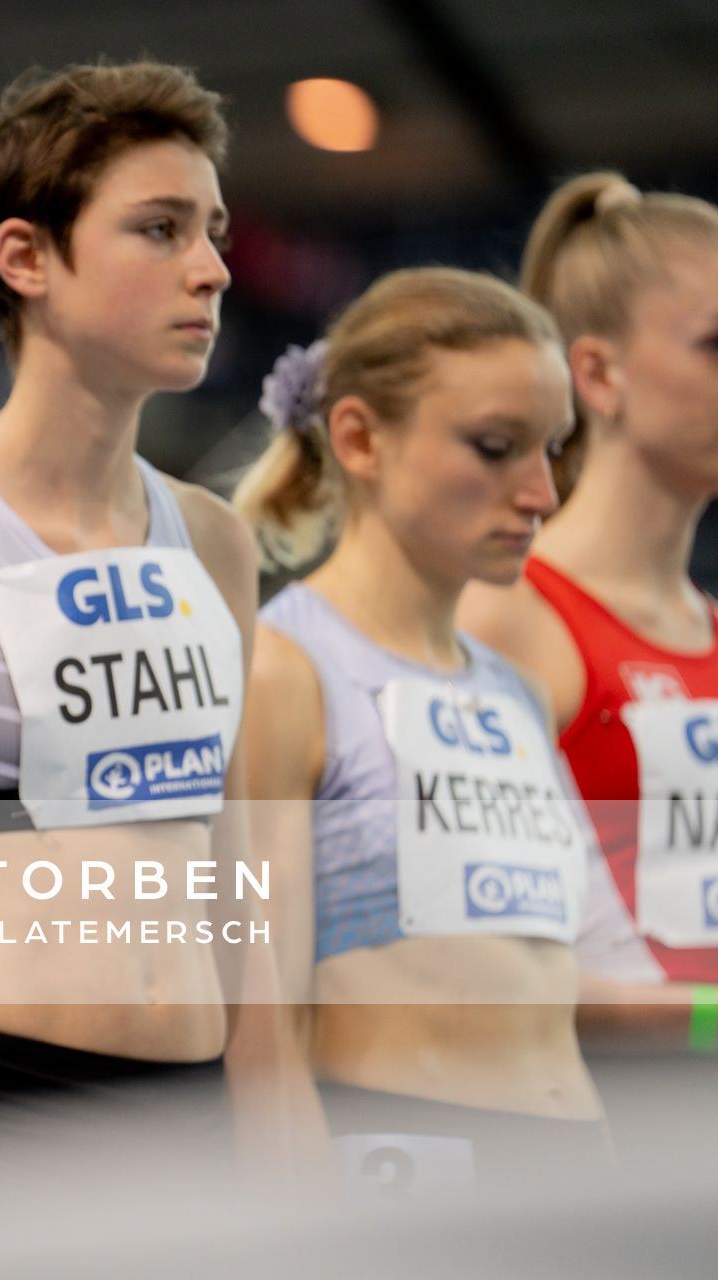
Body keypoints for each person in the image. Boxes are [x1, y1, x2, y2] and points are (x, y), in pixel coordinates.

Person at [0, 61, 307, 1248]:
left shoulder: (214, 540)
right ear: (27, 258)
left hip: (194, 1118)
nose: (213, 270)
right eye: (160, 228)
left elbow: (237, 882)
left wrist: (282, 1153)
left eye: (215, 232)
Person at [237, 267, 611, 1193]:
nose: (541, 495)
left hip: (576, 1176)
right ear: (360, 438)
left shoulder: (517, 694)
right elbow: (263, 1030)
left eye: (554, 451)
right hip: (406, 1173)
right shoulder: (283, 672)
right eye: (496, 447)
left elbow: (553, 984)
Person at [458, 174, 718, 1039]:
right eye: (715, 345)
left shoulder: (708, 631)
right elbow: (474, 964)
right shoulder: (505, 621)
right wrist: (704, 1019)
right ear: (598, 374)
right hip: (606, 1141)